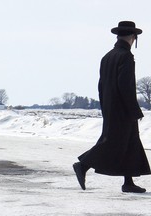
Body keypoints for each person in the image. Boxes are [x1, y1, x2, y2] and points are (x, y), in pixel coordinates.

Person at [73, 21, 151, 193]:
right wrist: (133, 109)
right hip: (122, 109)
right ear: (133, 37)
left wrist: (106, 106)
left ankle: (128, 182)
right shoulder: (126, 57)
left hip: (110, 107)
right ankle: (83, 165)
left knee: (130, 142)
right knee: (113, 142)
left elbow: (101, 85)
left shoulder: (107, 56)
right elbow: (126, 86)